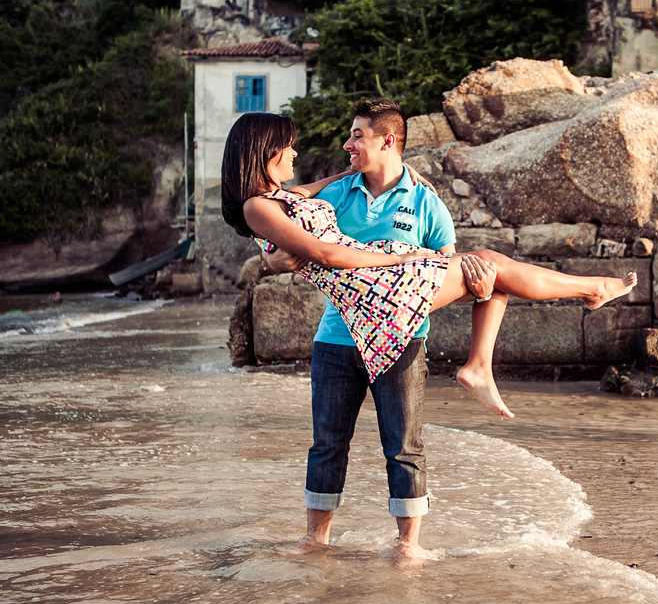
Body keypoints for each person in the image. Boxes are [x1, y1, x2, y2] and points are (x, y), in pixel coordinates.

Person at [220, 104, 635, 556]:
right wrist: (399, 259)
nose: (297, 152)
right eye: (288, 146)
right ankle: (581, 296)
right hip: (371, 294)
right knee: (328, 443)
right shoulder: (261, 205)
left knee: (486, 275)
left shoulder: (313, 197)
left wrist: (287, 242)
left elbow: (306, 203)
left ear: (387, 142)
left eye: (357, 136)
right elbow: (323, 252)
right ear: (264, 151)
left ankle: (407, 539)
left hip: (388, 309)